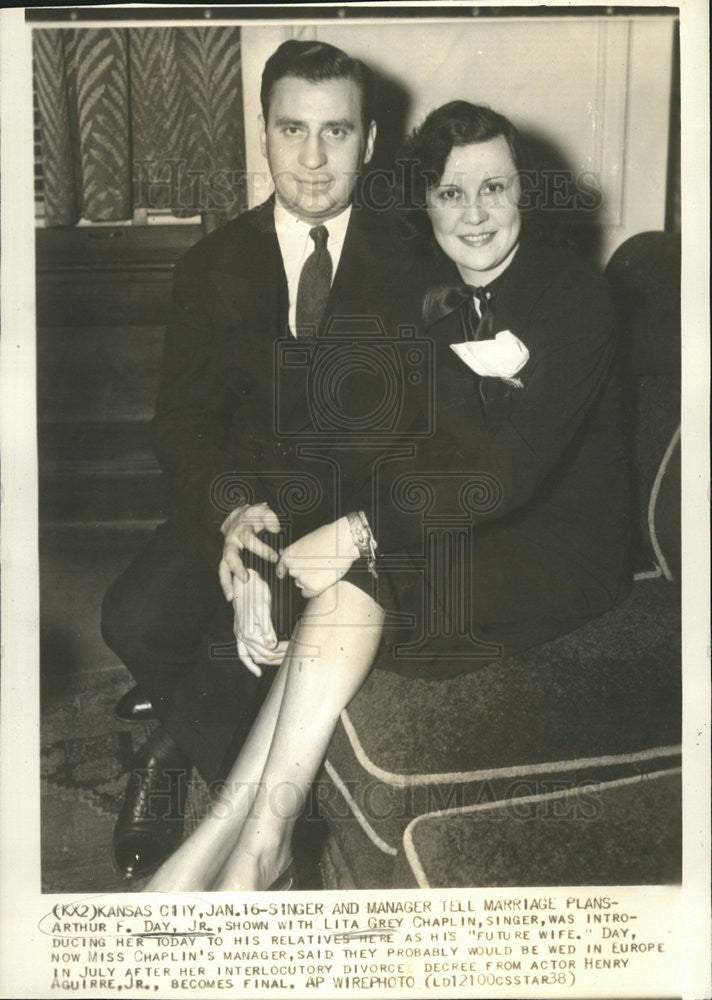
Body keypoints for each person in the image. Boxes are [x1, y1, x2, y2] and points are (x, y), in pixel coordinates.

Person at [140, 100, 631, 891]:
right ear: (426, 203)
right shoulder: (424, 298)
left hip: (559, 544)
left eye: (495, 190)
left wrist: (359, 532)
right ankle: (230, 853)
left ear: (524, 194)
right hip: (462, 527)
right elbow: (373, 447)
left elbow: (507, 472)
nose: (474, 215)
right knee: (337, 570)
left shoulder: (577, 296)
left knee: (360, 566)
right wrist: (267, 554)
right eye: (449, 193)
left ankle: (248, 856)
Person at [102, 39, 422, 881]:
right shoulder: (212, 263)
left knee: (256, 636)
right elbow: (178, 422)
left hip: (349, 520)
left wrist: (313, 550)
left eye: (337, 133)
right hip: (244, 503)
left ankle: (170, 760)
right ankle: (197, 737)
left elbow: (434, 430)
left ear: (372, 141)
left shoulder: (418, 260)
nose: (313, 160)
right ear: (263, 133)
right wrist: (232, 517)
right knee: (135, 617)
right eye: (292, 130)